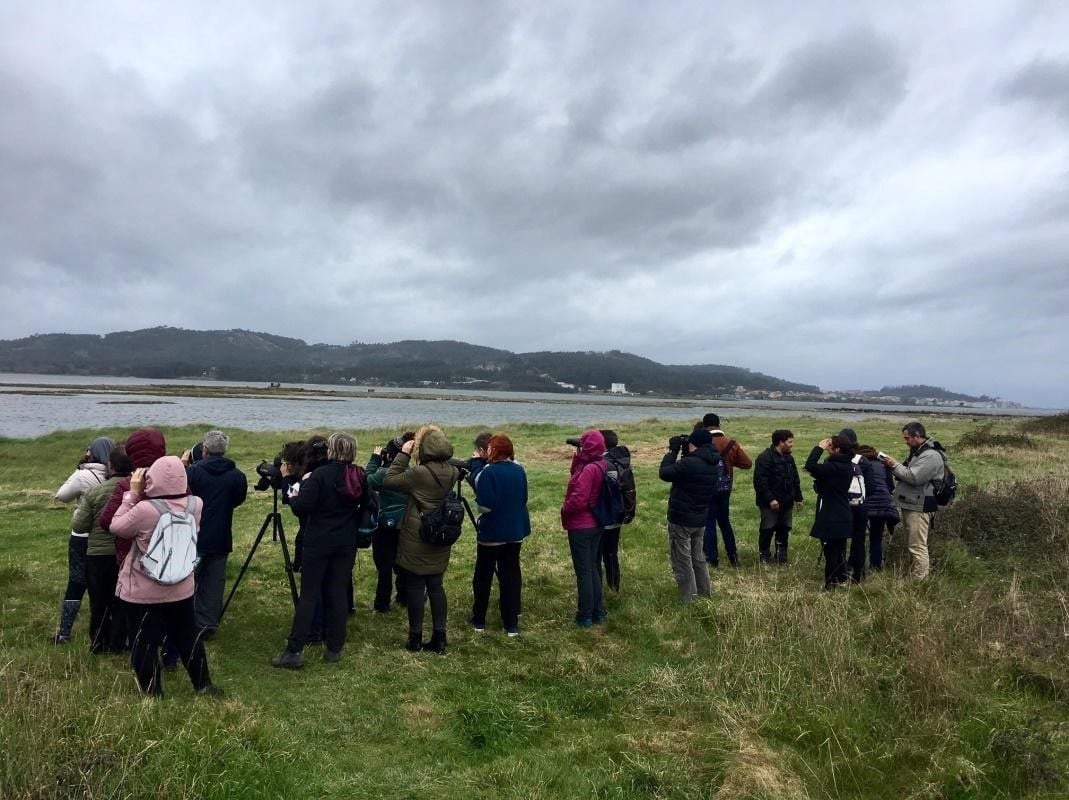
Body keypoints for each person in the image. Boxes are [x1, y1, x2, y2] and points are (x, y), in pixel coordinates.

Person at [110, 456, 220, 696]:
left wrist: (132, 494)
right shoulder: (196, 505)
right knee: (188, 636)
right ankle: (203, 685)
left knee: (144, 641)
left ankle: (153, 693)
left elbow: (116, 527)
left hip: (143, 589)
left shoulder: (144, 510)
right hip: (181, 585)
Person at [273, 433, 369, 668]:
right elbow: (368, 504)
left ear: (331, 450)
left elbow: (301, 508)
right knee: (337, 594)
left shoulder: (319, 476)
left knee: (309, 594)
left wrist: (294, 492)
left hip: (318, 540)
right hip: (345, 541)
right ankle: (334, 648)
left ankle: (294, 650)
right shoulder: (358, 474)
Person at [384, 425, 460, 654]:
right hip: (440, 534)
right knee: (436, 586)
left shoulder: (419, 474)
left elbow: (389, 479)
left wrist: (404, 454)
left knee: (416, 586)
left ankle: (415, 637)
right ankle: (440, 637)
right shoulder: (453, 472)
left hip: (417, 534)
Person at [51, 436, 115, 644]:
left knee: (76, 583)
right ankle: (110, 631)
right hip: (108, 536)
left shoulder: (83, 475)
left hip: (82, 537)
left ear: (93, 453)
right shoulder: (116, 475)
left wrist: (76, 473)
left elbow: (62, 495)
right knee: (107, 586)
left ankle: (64, 633)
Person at [186, 430, 248, 639]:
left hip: (194, 535)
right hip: (221, 535)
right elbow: (238, 499)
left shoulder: (193, 472)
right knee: (214, 583)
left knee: (187, 579)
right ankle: (207, 625)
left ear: (204, 449)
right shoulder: (237, 476)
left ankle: (184, 619)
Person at [72, 445, 131, 654]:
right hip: (126, 554)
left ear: (111, 466)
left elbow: (79, 526)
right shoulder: (136, 490)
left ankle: (99, 643)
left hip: (98, 555)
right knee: (122, 601)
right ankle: (119, 643)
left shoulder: (95, 492)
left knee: (99, 603)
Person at [470, 434, 530, 636]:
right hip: (514, 532)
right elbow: (523, 498)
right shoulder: (519, 470)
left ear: (492, 451)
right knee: (510, 577)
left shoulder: (489, 473)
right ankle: (511, 624)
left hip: (492, 533)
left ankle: (479, 620)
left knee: (483, 577)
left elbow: (484, 506)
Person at [658, 428, 724, 602]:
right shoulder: (713, 461)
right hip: (700, 516)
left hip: (682, 518)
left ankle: (690, 599)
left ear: (694, 443)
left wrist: (673, 451)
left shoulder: (690, 463)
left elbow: (665, 473)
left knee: (682, 560)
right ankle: (704, 593)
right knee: (698, 558)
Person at [880, 422, 944, 579]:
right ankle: (916, 576)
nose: (906, 441)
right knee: (913, 544)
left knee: (918, 546)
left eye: (907, 438)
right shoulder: (919, 452)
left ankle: (919, 581)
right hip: (913, 503)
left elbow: (914, 477)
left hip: (920, 506)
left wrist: (894, 464)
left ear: (917, 436)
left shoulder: (931, 456)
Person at [561, 429, 608, 627]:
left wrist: (565, 508)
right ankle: (598, 611)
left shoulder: (589, 470)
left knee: (584, 571)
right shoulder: (600, 464)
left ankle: (585, 615)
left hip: (581, 524)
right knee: (592, 569)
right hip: (596, 523)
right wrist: (578, 456)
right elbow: (575, 473)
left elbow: (579, 498)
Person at [366, 431, 414, 612]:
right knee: (403, 563)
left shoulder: (383, 474)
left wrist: (374, 459)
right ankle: (404, 597)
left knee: (384, 566)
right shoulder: (412, 473)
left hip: (385, 526)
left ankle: (382, 603)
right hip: (407, 524)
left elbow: (365, 482)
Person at [699, 414, 752, 568]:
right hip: (724, 489)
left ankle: (712, 559)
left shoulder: (702, 442)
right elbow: (747, 464)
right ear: (719, 424)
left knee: (709, 524)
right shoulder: (731, 443)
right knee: (725, 523)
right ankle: (733, 557)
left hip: (706, 489)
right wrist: (730, 462)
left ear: (704, 425)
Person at [804, 435, 854, 590]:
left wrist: (819, 447)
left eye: (830, 445)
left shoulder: (834, 466)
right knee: (839, 551)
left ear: (837, 449)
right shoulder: (847, 465)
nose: (827, 447)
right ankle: (840, 579)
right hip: (843, 513)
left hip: (831, 515)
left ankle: (829, 585)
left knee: (830, 553)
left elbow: (810, 465)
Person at [752, 429, 804, 564]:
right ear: (781, 442)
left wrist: (798, 498)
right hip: (769, 504)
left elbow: (795, 479)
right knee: (767, 529)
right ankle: (764, 556)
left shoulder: (789, 458)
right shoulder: (765, 458)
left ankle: (781, 557)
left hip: (786, 502)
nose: (792, 445)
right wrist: (770, 499)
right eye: (789, 442)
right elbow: (760, 482)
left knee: (784, 529)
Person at [598, 429, 636, 592]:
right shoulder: (622, 460)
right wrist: (628, 512)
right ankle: (614, 586)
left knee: (596, 556)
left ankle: (597, 589)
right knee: (612, 553)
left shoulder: (603, 462)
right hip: (618, 513)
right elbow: (630, 488)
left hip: (603, 515)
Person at [837, 428, 876, 583]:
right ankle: (858, 574)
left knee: (839, 539)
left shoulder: (837, 459)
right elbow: (871, 487)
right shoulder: (864, 461)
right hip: (860, 506)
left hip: (841, 505)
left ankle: (840, 571)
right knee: (858, 540)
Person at [856, 444, 900, 571]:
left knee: (859, 537)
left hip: (864, 503)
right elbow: (891, 487)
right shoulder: (882, 465)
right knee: (876, 537)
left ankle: (858, 567)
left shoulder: (858, 464)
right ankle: (875, 567)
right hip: (883, 504)